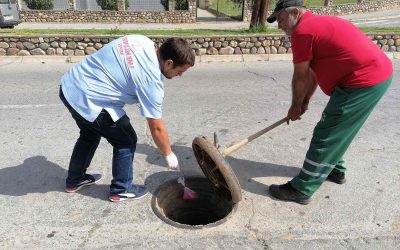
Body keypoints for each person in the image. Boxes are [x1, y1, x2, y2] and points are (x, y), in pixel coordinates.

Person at [266, 0, 393, 204]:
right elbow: (315, 72)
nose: (279, 25)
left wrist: (295, 107)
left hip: (363, 81)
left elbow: (300, 76)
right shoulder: (319, 24)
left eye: (280, 19)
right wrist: (305, 101)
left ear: (296, 13)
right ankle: (335, 170)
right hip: (372, 76)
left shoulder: (302, 32)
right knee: (336, 129)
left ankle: (302, 188)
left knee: (327, 133)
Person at [59, 35, 195, 202]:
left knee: (89, 134)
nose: (180, 75)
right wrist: (168, 153)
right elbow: (156, 127)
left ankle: (75, 179)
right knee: (126, 139)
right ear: (169, 63)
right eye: (180, 71)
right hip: (90, 99)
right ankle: (121, 189)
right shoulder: (151, 80)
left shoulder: (141, 41)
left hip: (70, 87)